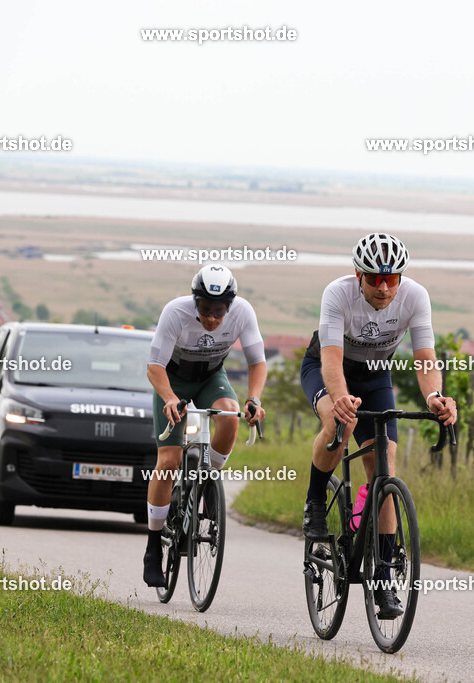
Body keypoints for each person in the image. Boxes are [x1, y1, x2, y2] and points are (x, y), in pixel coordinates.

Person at [300, 233, 457, 618]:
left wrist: (435, 396)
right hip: (326, 369)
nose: (384, 287)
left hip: (374, 376)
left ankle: (384, 578)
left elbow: (424, 358)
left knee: (385, 465)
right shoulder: (337, 294)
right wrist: (340, 399)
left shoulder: (415, 297)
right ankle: (315, 501)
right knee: (339, 424)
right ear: (358, 274)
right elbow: (332, 360)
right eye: (374, 279)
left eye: (392, 279)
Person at [143, 264, 267, 588]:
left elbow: (257, 362)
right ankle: (154, 543)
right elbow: (154, 366)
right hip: (173, 382)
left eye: (219, 311)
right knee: (168, 461)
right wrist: (169, 398)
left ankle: (208, 481)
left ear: (230, 305)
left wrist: (254, 399)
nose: (212, 318)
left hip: (211, 377)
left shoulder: (242, 313)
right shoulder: (175, 312)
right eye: (205, 310)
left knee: (229, 414)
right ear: (195, 301)